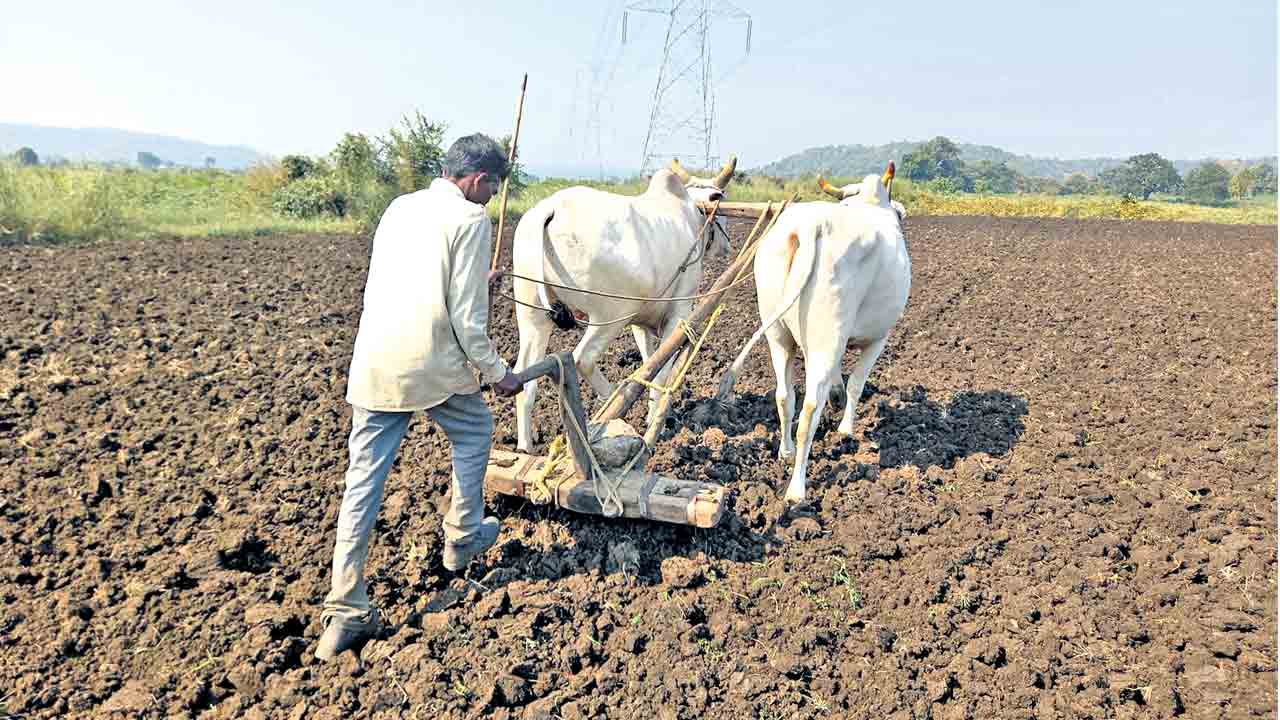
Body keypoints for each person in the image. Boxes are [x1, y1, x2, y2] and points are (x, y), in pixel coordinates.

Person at [315, 133, 524, 661]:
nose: (491, 199)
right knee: (475, 430)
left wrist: (480, 278)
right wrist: (499, 372)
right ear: (478, 180)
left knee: (363, 478)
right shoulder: (471, 221)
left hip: (376, 360)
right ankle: (462, 535)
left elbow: (419, 277)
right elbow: (468, 323)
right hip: (430, 363)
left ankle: (344, 607)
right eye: (493, 188)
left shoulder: (400, 206)